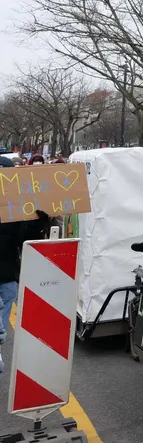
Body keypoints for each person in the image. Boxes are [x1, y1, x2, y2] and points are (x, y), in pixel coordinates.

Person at [0, 157, 51, 377]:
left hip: (7, 275)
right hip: (7, 274)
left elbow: (24, 240)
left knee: (1, 330)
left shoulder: (18, 207)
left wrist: (39, 223)